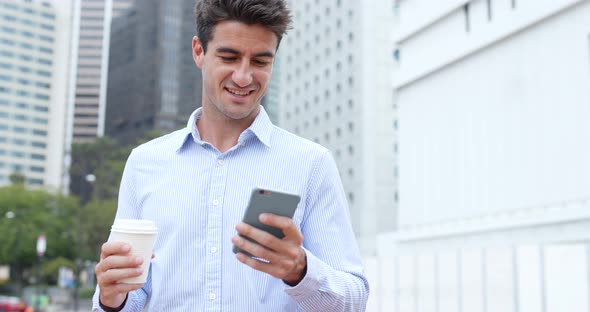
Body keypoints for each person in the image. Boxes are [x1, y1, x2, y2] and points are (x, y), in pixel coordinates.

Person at [92, 0, 369, 311]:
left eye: (261, 62)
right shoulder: (144, 163)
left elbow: (354, 299)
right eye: (229, 57)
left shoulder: (310, 164)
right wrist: (111, 298)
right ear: (199, 51)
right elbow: (130, 294)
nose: (243, 77)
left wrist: (301, 271)